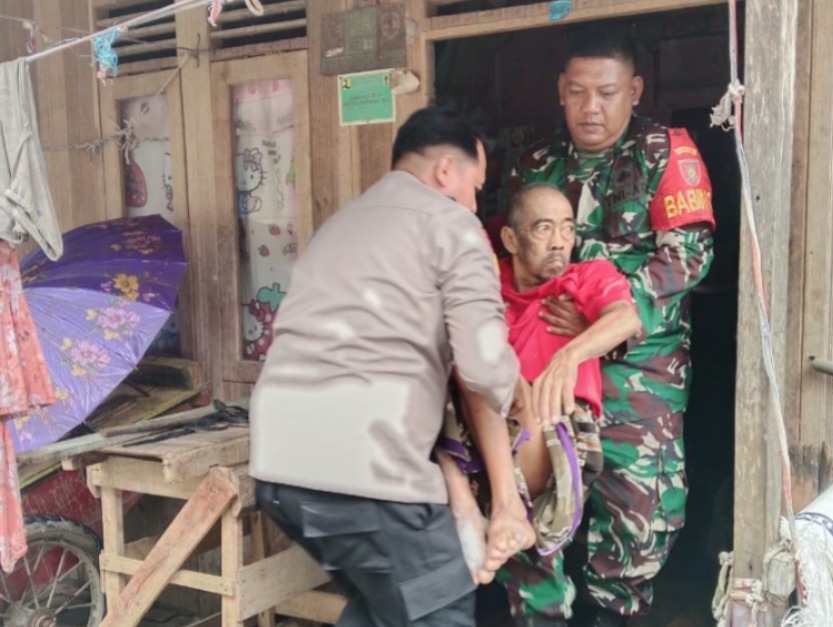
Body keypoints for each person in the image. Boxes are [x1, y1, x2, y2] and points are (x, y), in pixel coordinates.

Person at [249, 105, 535, 627]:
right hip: (367, 471)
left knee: (386, 605)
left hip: (279, 469)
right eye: (476, 186)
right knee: (439, 606)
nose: (476, 203)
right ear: (445, 171)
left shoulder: (340, 225)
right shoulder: (453, 225)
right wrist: (515, 387)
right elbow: (482, 364)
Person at [500, 26, 717, 627]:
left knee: (638, 512)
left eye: (607, 92)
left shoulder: (666, 153)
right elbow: (513, 257)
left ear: (635, 91)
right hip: (546, 364)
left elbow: (686, 258)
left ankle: (616, 612)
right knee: (535, 490)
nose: (590, 107)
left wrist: (600, 321)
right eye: (577, 92)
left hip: (638, 371)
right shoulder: (537, 164)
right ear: (560, 91)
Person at [437, 184, 641, 587]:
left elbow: (625, 318)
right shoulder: (486, 279)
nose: (560, 242)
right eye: (544, 229)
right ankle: (470, 500)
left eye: (568, 228)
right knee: (460, 355)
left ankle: (495, 506)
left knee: (489, 367)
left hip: (555, 434)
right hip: (475, 429)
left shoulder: (587, 276)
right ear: (511, 239)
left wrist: (568, 357)